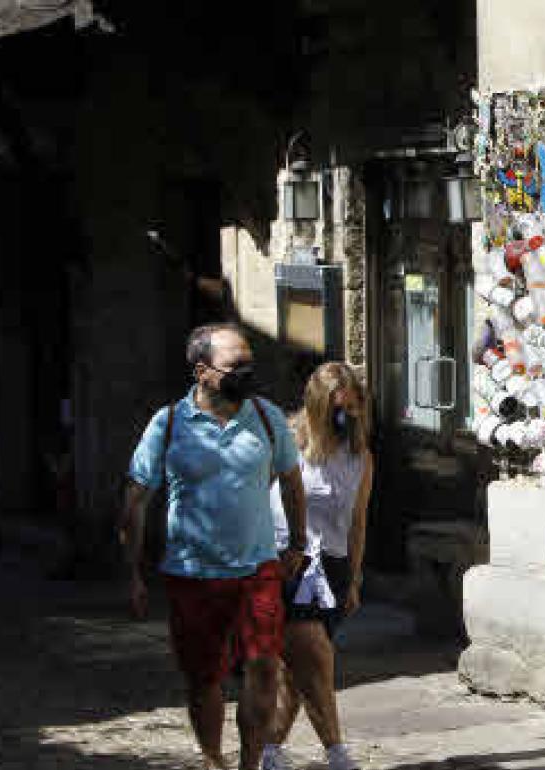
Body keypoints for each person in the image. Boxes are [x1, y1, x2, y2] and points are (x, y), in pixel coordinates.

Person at [119, 323, 308, 770]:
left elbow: (292, 483)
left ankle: (249, 762)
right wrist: (133, 573)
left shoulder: (266, 417)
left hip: (257, 569)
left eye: (250, 362)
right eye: (235, 365)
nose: (246, 372)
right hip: (192, 575)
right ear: (202, 372)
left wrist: (297, 543)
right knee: (204, 679)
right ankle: (211, 758)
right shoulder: (167, 425)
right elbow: (136, 497)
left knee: (264, 666)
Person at [263, 363, 373, 770]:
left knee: (299, 668)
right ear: (317, 408)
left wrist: (355, 580)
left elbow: (358, 522)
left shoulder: (361, 458)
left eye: (352, 408)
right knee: (315, 654)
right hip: (291, 561)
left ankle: (270, 750)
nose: (345, 418)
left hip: (334, 565)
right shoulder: (288, 444)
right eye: (336, 410)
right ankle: (336, 751)